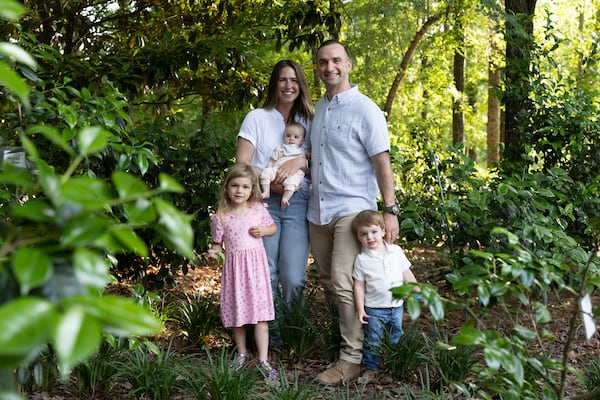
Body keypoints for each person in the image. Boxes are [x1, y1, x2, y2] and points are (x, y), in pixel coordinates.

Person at [307, 39, 400, 385]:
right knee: (331, 283)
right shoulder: (319, 110)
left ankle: (352, 359)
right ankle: (361, 342)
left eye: (335, 61)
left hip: (352, 208)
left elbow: (381, 160)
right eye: (321, 62)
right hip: (318, 211)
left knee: (346, 283)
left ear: (348, 64)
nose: (328, 67)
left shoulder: (366, 109)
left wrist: (389, 210)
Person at [236, 60, 313, 345]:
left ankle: (293, 333)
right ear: (274, 84)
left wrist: (301, 158)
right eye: (282, 80)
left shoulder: (311, 120)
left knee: (293, 276)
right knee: (266, 272)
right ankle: (270, 339)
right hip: (263, 202)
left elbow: (320, 158)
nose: (288, 85)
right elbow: (243, 163)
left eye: (294, 80)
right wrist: (270, 182)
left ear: (301, 84)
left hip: (298, 202)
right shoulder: (257, 117)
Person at [207, 163, 279, 382]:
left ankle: (264, 359)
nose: (239, 190)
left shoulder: (257, 209)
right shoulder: (221, 216)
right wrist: (213, 253)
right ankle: (241, 353)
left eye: (245, 187)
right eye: (235, 185)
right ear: (227, 188)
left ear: (252, 190)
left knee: (260, 316)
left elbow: (273, 228)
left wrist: (264, 231)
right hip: (235, 271)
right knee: (238, 314)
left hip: (256, 270)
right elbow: (218, 244)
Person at [351, 210, 419, 384]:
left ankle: (397, 365)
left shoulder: (395, 251)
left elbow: (406, 272)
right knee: (373, 339)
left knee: (396, 335)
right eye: (363, 234)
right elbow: (359, 285)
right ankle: (371, 368)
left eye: (374, 232)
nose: (370, 237)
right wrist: (360, 308)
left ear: (383, 231)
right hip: (374, 309)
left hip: (396, 306)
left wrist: (417, 290)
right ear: (358, 237)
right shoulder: (361, 259)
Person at [260, 122, 307, 207]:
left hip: (293, 174)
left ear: (302, 141)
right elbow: (272, 161)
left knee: (292, 183)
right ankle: (266, 191)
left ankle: (285, 198)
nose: (291, 139)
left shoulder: (302, 153)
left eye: (296, 137)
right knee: (265, 172)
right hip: (277, 170)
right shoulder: (280, 149)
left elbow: (306, 165)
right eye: (288, 136)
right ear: (283, 137)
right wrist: (270, 169)